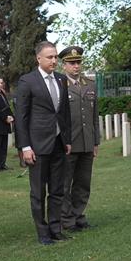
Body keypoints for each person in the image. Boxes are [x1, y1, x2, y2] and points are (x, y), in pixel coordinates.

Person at [15, 41, 72, 245]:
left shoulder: (61, 79)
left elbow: (64, 112)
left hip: (58, 142)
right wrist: (25, 146)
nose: (54, 60)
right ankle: (43, 232)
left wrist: (67, 139)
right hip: (37, 145)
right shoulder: (27, 81)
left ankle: (55, 228)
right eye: (50, 57)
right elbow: (21, 116)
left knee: (57, 189)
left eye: (56, 57)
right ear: (38, 58)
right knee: (38, 191)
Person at [59, 46, 100, 232]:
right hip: (69, 142)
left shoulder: (89, 84)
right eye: (72, 63)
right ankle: (66, 219)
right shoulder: (59, 84)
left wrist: (96, 141)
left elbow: (94, 116)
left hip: (87, 141)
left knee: (83, 182)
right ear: (64, 65)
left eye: (78, 63)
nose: (76, 66)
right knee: (65, 183)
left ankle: (78, 214)